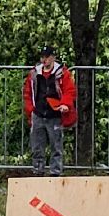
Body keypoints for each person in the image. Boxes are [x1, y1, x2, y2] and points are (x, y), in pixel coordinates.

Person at [23, 45, 76, 177]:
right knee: (37, 147)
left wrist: (65, 104)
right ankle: (37, 172)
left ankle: (55, 173)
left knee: (56, 147)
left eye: (46, 57)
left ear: (53, 57)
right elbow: (27, 93)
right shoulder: (34, 73)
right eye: (42, 57)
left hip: (55, 115)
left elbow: (69, 91)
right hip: (38, 114)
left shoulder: (62, 73)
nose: (44, 60)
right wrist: (31, 110)